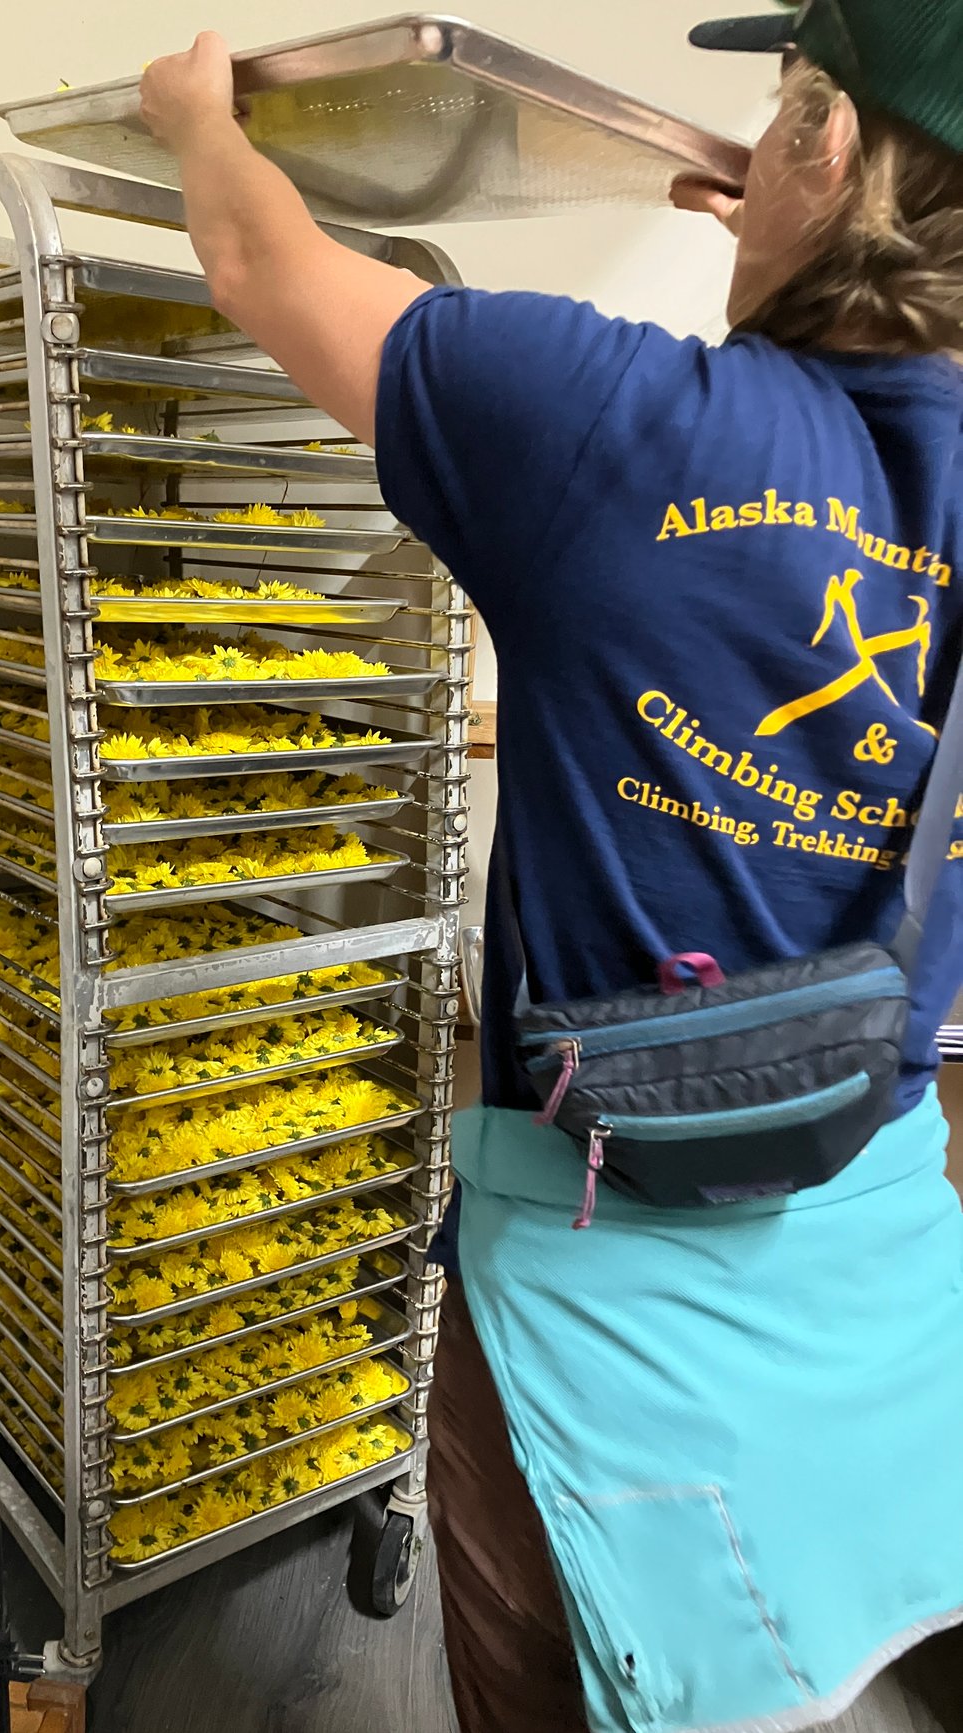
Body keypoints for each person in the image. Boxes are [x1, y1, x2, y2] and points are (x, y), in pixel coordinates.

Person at [140, 3, 963, 1728]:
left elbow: (250, 255)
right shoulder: (652, 417)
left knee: (570, 1670)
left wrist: (197, 112)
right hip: (877, 1233)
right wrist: (805, 242)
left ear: (821, 146)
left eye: (786, 108)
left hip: (610, 1273)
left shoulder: (607, 424)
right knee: (802, 1651)